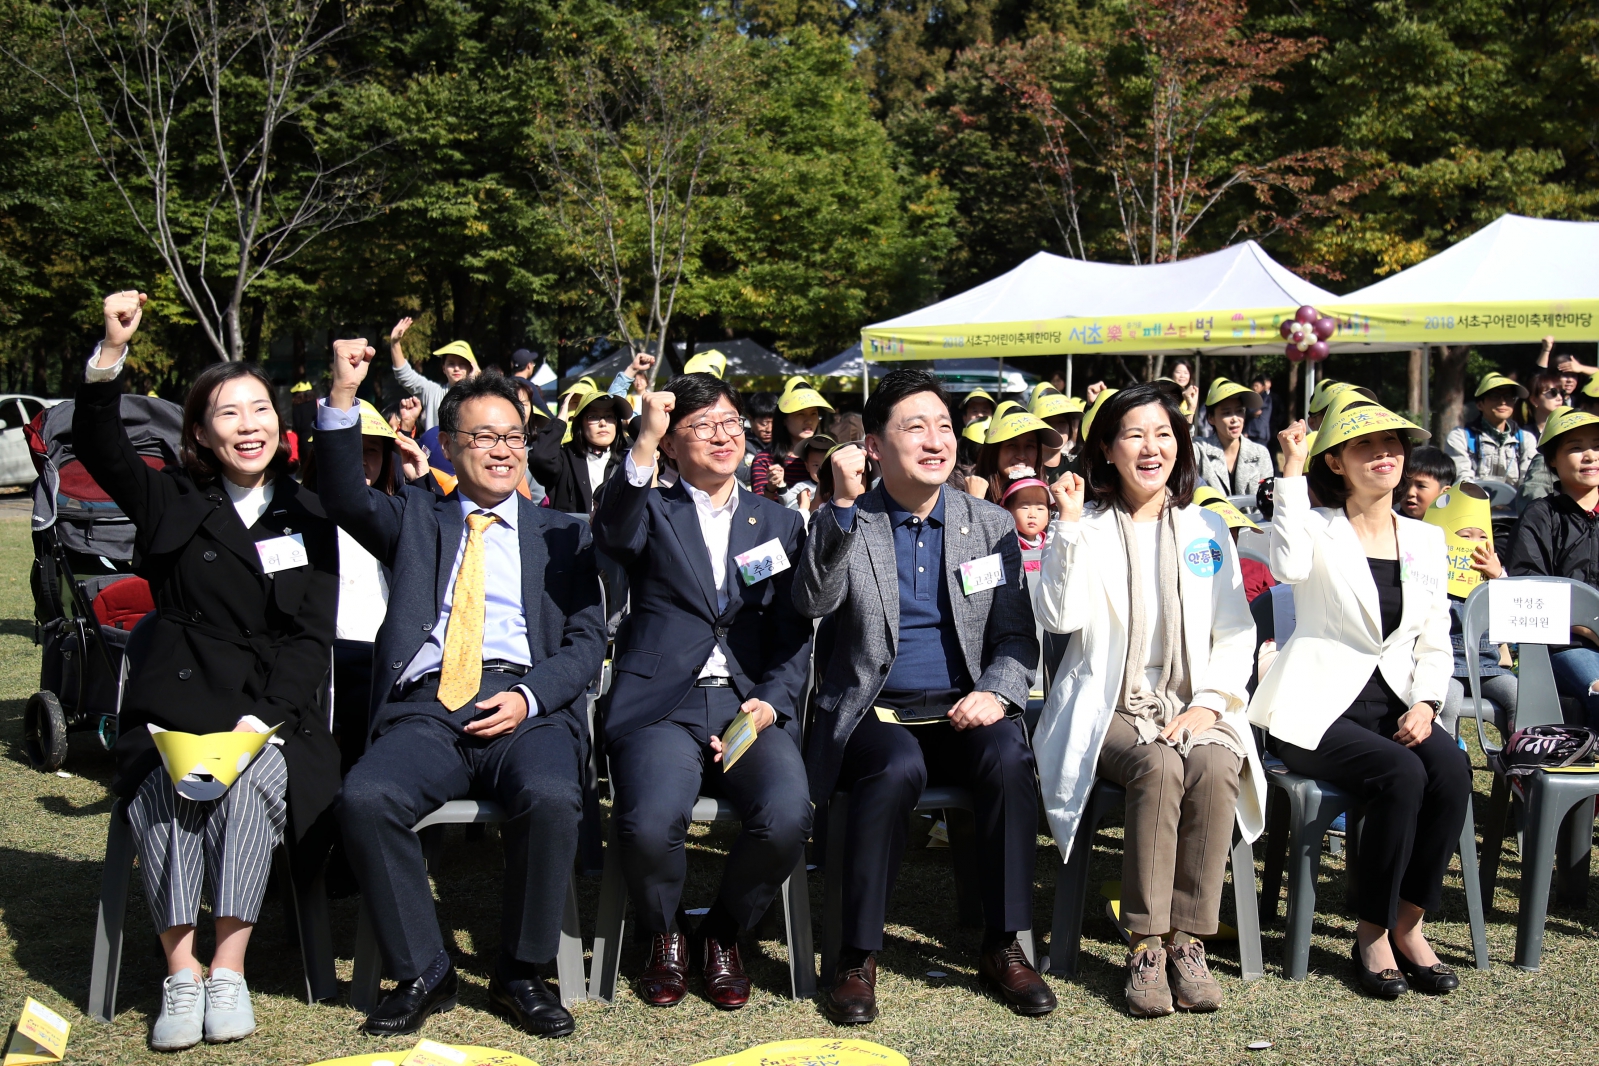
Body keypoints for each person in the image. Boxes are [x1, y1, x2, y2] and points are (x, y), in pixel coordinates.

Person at [76, 291, 341, 1051]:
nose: (248, 426)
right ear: (199, 430)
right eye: (228, 413)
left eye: (259, 410)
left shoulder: (308, 515)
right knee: (169, 789)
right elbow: (102, 446)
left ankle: (228, 968)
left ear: (278, 423)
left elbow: (307, 637)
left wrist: (264, 722)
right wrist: (111, 354)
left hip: (271, 712)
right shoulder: (170, 499)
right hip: (174, 701)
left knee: (249, 785)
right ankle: (180, 974)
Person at [320, 343, 606, 1039]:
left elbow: (586, 643)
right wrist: (341, 395)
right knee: (366, 797)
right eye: (482, 436)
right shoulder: (417, 518)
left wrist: (530, 699)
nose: (501, 450)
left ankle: (520, 970)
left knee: (551, 796)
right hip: (427, 706)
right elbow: (340, 494)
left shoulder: (566, 534)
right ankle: (424, 969)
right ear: (448, 444)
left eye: (512, 435)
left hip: (524, 704)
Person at [791, 369, 1052, 1024]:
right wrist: (842, 511)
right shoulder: (852, 520)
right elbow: (810, 602)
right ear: (873, 447)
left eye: (943, 426)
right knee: (894, 764)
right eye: (914, 427)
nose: (935, 440)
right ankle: (855, 954)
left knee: (1006, 754)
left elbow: (1015, 638)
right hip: (872, 712)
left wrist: (996, 692)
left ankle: (1004, 942)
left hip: (962, 707)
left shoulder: (986, 523)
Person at [1031, 383, 1263, 1017]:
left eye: (1163, 433)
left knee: (1216, 764)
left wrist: (1210, 704)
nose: (1150, 447)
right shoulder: (1088, 527)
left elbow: (1237, 630)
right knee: (1157, 765)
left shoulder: (1205, 527)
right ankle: (1144, 944)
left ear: (1180, 445)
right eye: (1133, 434)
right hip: (1110, 708)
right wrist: (1070, 528)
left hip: (1194, 703)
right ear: (1106, 449)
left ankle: (1189, 940)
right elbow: (1057, 616)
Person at [592, 374, 813, 1010]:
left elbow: (792, 629)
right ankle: (664, 934)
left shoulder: (775, 519)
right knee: (651, 819)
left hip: (750, 703)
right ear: (671, 443)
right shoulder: (651, 506)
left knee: (787, 814)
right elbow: (611, 535)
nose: (722, 436)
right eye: (703, 426)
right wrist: (643, 440)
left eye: (730, 423)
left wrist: (773, 695)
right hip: (663, 704)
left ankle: (721, 933)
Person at [1250, 399, 1468, 1000]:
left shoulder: (1426, 539)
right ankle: (1371, 934)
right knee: (1400, 773)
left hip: (1397, 704)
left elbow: (1434, 638)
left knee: (1451, 767)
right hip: (1314, 710)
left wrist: (1426, 704)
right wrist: (1291, 473)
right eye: (1366, 447)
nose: (1384, 455)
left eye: (1393, 445)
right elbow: (1288, 567)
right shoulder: (1316, 525)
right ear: (1338, 463)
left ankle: (1409, 922)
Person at [1505, 407, 1599, 728]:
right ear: (1553, 461)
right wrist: (1589, 629)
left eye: (1597, 446)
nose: (1589, 455)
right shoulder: (1540, 516)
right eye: (1575, 447)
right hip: (1567, 645)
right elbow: (1528, 591)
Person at [529, 387, 632, 515]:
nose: (603, 423)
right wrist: (559, 423)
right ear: (580, 423)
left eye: (610, 416)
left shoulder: (629, 460)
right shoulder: (564, 458)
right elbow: (539, 458)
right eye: (593, 416)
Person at [1444, 373, 1537, 488]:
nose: (1503, 402)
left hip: (1515, 504)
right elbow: (1462, 479)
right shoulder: (1460, 436)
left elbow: (1530, 482)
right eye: (1494, 396)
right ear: (1479, 404)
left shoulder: (1526, 439)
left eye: (1508, 397)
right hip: (1473, 503)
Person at [388, 317, 479, 430]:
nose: (456, 368)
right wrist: (395, 343)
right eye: (451, 364)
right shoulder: (433, 392)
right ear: (443, 368)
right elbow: (404, 375)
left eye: (462, 364)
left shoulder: (480, 395)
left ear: (471, 368)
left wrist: (478, 382)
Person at [751, 377, 833, 499]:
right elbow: (757, 508)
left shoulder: (831, 457)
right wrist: (771, 487)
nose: (809, 420)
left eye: (814, 413)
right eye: (801, 414)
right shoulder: (764, 460)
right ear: (784, 419)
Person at [967, 407, 1063, 504]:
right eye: (1012, 445)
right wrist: (975, 502)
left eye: (1029, 446)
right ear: (993, 451)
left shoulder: (1052, 499)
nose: (1021, 455)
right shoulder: (968, 497)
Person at [1194, 487, 1274, 602]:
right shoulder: (1190, 575)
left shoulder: (1257, 569)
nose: (1226, 536)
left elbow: (1272, 610)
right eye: (1217, 529)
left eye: (1231, 529)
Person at [1196, 379, 1272, 498]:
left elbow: (1268, 501)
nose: (1235, 419)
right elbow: (1180, 451)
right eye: (1226, 413)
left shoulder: (1260, 453)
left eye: (1239, 411)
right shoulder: (1200, 450)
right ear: (1211, 418)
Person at [1030, 389, 1085, 479]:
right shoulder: (1024, 471)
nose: (1056, 429)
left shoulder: (1078, 467)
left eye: (1061, 422)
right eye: (1047, 423)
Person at [1001, 477, 1051, 563]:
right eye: (1025, 507)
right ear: (1007, 512)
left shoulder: (1051, 543)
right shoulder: (1006, 545)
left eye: (1040, 509)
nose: (1032, 515)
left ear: (1047, 517)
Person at [783, 434, 836, 515]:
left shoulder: (838, 485)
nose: (821, 469)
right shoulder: (801, 488)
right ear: (807, 466)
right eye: (816, 465)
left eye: (826, 465)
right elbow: (788, 503)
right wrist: (781, 487)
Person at [738, 390, 778, 488]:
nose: (769, 429)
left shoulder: (783, 444)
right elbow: (738, 474)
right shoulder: (741, 442)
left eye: (774, 423)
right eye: (763, 424)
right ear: (750, 419)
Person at [1245, 373, 1275, 449]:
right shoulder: (1252, 397)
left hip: (1260, 433)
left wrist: (1251, 412)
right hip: (1251, 432)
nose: (1254, 388)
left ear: (1263, 387)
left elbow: (1252, 409)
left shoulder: (1266, 398)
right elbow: (1249, 410)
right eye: (1253, 386)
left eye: (1257, 386)